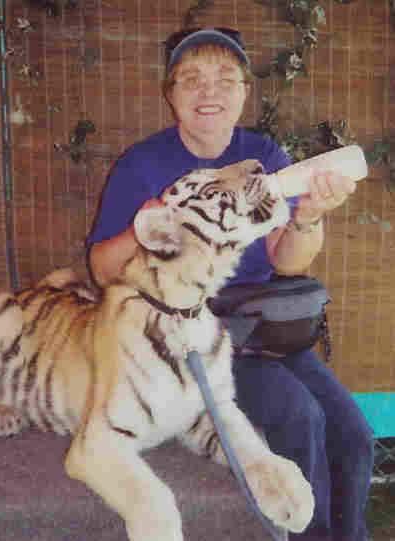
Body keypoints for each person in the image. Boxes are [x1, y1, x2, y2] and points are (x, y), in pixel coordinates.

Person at [86, 27, 374, 541]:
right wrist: (141, 229)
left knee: (353, 435)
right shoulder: (142, 166)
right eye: (191, 79)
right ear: (170, 94)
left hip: (264, 329)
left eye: (225, 78)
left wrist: (307, 216)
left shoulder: (264, 155)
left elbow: (286, 261)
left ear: (245, 90)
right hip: (188, 337)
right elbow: (102, 270)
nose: (209, 91)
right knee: (300, 417)